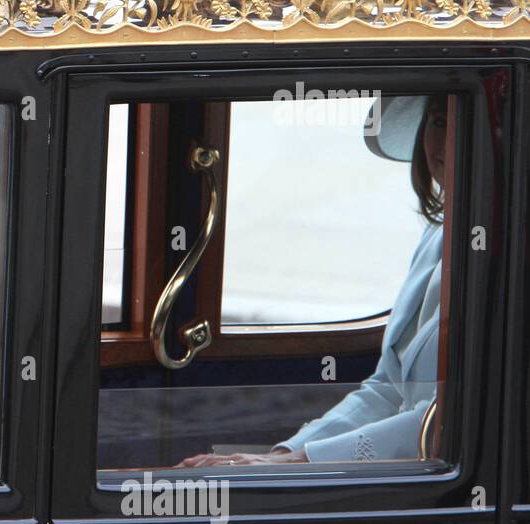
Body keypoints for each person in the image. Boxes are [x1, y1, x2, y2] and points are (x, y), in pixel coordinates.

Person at [180, 93, 447, 467]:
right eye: (439, 123)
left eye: (468, 130)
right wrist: (286, 454)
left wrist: (301, 462)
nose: (448, 144)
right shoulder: (440, 232)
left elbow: (447, 417)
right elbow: (387, 387)